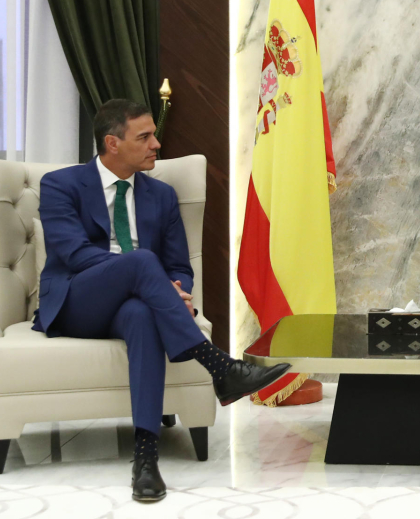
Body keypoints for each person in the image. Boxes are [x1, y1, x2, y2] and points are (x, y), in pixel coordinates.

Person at [34, 99, 291, 503]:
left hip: (133, 304)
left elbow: (179, 266)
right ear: (112, 143)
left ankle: (146, 457)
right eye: (145, 136)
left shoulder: (162, 196)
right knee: (140, 262)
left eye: (154, 134)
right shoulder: (60, 184)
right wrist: (146, 274)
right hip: (77, 301)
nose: (156, 143)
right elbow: (75, 256)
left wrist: (173, 286)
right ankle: (221, 367)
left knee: (141, 314)